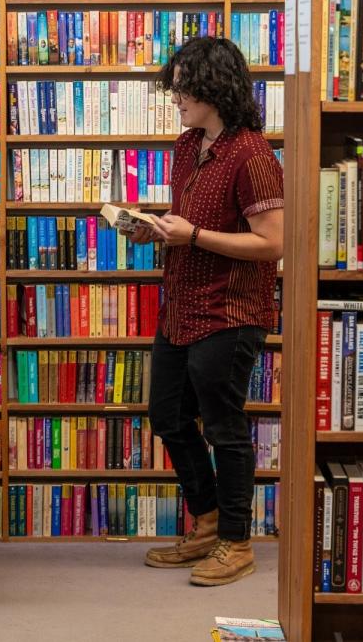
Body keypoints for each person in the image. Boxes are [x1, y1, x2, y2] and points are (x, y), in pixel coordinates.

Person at [130, 37, 285, 586]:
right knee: (167, 417)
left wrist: (192, 234)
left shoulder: (254, 156)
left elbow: (272, 243)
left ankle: (237, 543)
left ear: (213, 88)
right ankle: (209, 523)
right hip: (182, 307)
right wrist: (157, 230)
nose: (175, 96)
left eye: (183, 87)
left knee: (225, 427)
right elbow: (191, 227)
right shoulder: (186, 145)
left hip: (230, 311)